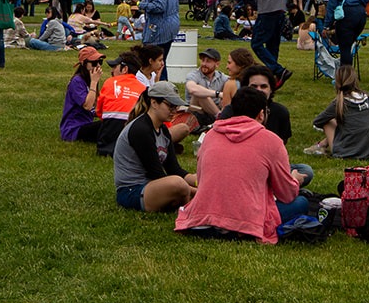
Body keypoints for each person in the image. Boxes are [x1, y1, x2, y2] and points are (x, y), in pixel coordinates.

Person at [175, 87, 311, 242]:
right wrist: (294, 180)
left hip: (203, 218)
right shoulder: (271, 141)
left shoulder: (211, 135)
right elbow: (286, 194)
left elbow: (201, 178)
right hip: (245, 223)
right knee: (301, 202)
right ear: (261, 114)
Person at [112, 80, 197, 213]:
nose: (174, 111)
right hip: (132, 191)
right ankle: (190, 205)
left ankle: (189, 202)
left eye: (176, 107)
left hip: (153, 187)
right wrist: (197, 191)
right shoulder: (141, 130)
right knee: (178, 184)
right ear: (154, 103)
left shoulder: (163, 130)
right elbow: (156, 174)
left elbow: (174, 169)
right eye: (170, 106)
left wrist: (199, 181)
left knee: (190, 180)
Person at [306, 63, 369, 159]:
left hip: (348, 151)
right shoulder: (368, 97)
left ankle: (321, 145)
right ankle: (322, 144)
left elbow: (318, 121)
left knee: (328, 122)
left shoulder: (339, 103)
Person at [95, 48, 146, 154]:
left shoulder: (110, 82)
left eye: (114, 67)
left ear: (124, 69)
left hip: (109, 134)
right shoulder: (143, 88)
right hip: (135, 134)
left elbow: (99, 111)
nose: (111, 71)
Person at [60, 46, 105, 142]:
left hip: (85, 124)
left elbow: (96, 108)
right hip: (74, 129)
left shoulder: (89, 79)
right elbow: (87, 106)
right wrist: (94, 82)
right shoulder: (77, 81)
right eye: (93, 63)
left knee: (112, 124)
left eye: (99, 62)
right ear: (84, 63)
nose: (98, 66)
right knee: (106, 127)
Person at [184, 46, 226, 117]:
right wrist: (218, 94)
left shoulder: (221, 77)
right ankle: (220, 118)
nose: (204, 64)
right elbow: (192, 89)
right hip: (195, 112)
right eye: (203, 60)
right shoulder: (193, 75)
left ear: (217, 64)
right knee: (199, 95)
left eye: (208, 61)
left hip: (213, 110)